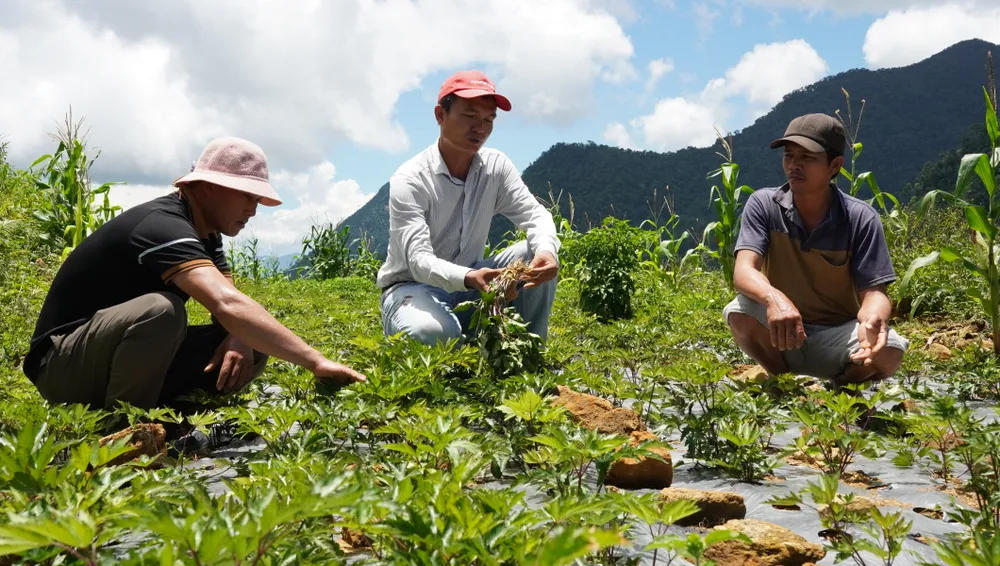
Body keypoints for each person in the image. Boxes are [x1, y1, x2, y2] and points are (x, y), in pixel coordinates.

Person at [23, 136, 366, 411]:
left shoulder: (206, 233)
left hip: (110, 358)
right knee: (162, 311)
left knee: (250, 344)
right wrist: (316, 361)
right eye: (246, 195)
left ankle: (172, 420)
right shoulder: (161, 225)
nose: (253, 209)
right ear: (207, 187)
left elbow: (234, 305)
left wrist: (239, 336)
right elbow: (227, 304)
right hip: (61, 366)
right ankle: (126, 431)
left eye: (258, 199)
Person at [377, 70, 561, 347]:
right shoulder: (411, 179)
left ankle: (530, 357)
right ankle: (444, 335)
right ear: (440, 115)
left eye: (488, 119)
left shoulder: (495, 168)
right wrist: (467, 277)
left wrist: (547, 251)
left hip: (473, 285)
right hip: (413, 288)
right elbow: (418, 261)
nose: (480, 128)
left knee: (534, 253)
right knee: (431, 333)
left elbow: (536, 216)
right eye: (469, 116)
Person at [723, 113, 909, 386]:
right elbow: (744, 270)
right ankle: (786, 383)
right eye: (789, 156)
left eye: (808, 158)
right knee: (739, 311)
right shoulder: (764, 204)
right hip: (781, 335)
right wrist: (776, 300)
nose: (794, 165)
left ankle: (840, 388)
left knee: (890, 350)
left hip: (836, 339)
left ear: (834, 165)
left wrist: (873, 320)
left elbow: (874, 293)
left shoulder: (860, 218)